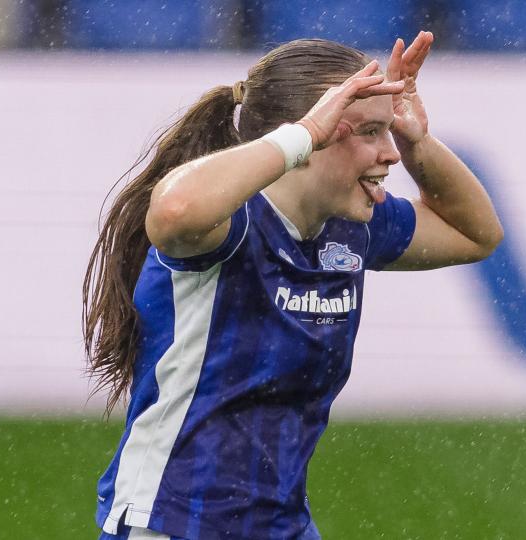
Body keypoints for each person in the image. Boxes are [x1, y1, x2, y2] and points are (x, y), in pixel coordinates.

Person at [82, 31, 503, 540]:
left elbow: (476, 234)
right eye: (369, 131)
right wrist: (302, 132)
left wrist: (417, 139)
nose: (389, 153)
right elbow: (172, 211)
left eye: (388, 132)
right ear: (311, 139)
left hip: (281, 527)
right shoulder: (229, 223)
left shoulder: (354, 224)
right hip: (174, 523)